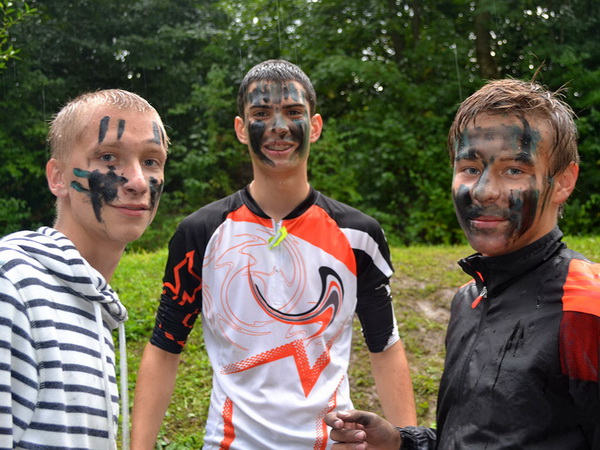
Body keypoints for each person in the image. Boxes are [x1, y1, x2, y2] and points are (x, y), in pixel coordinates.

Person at [131, 59, 417, 449]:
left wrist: (408, 443)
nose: (279, 126)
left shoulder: (359, 235)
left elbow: (384, 346)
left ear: (315, 126)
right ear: (241, 128)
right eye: (261, 114)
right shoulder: (199, 233)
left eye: (294, 112)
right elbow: (165, 347)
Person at [325, 78, 600, 449]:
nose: (483, 191)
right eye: (470, 168)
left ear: (563, 182)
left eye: (514, 170)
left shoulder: (586, 308)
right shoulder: (469, 299)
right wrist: (400, 442)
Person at [0, 89, 169, 449]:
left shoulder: (90, 305)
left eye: (151, 161)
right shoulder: (11, 286)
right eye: (109, 157)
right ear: (58, 177)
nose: (139, 181)